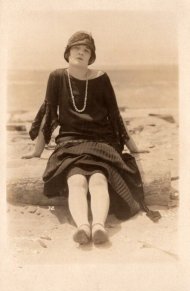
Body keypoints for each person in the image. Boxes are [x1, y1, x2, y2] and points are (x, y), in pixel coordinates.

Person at [22, 31, 161, 245]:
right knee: (75, 181)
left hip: (102, 142)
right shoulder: (57, 77)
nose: (81, 52)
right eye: (77, 48)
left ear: (91, 57)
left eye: (86, 50)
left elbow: (115, 116)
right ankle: (82, 227)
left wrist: (133, 148)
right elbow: (49, 114)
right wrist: (36, 152)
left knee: (98, 180)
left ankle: (98, 226)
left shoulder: (101, 78)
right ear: (67, 53)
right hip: (70, 142)